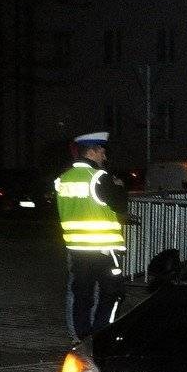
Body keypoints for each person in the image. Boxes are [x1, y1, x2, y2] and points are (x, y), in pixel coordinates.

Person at [54, 132, 130, 340]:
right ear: (92, 151)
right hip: (104, 247)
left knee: (82, 294)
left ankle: (81, 336)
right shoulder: (99, 177)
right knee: (114, 293)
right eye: (102, 152)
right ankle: (102, 333)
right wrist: (119, 187)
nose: (104, 157)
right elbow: (120, 205)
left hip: (77, 248)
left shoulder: (63, 179)